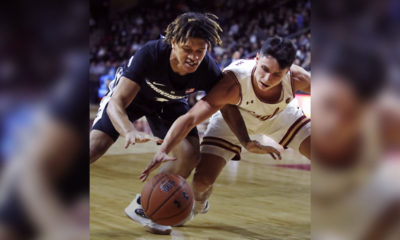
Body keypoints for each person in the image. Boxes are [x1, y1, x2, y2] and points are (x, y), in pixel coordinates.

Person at [131, 37, 311, 231]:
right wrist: (164, 149)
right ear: (257, 59)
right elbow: (190, 118)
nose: (267, 79)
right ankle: (197, 205)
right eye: (265, 69)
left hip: (281, 117)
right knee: (201, 182)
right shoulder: (232, 82)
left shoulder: (298, 78)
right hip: (232, 121)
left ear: (288, 70)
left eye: (277, 74)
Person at [90, 12, 223, 234]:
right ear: (173, 42)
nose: (194, 57)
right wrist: (129, 131)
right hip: (134, 97)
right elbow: (116, 103)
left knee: (190, 154)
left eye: (200, 51)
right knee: (95, 146)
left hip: (170, 103)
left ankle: (144, 206)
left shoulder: (208, 69)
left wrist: (244, 139)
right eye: (187, 49)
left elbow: (225, 103)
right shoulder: (151, 54)